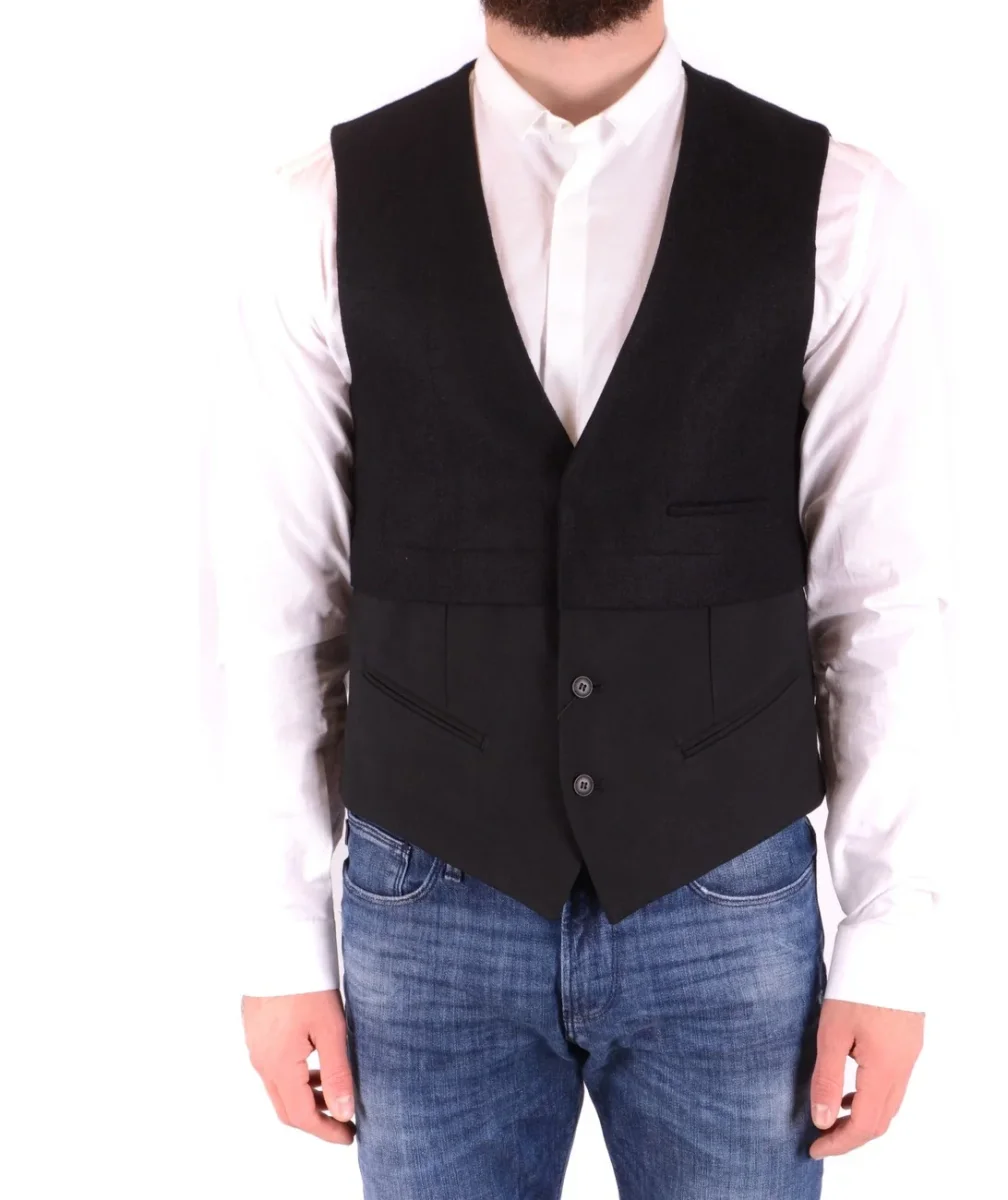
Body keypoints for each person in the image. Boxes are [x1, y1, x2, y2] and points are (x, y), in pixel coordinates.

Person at [214, 1, 951, 1196]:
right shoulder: (318, 210)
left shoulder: (846, 209)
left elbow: (885, 596)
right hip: (424, 904)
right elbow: (276, 600)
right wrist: (277, 937)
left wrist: (891, 936)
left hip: (729, 901)